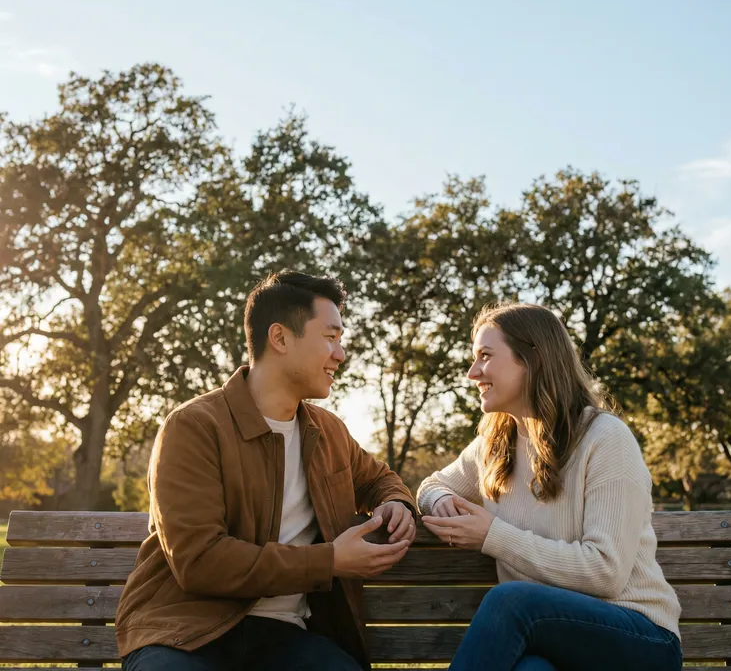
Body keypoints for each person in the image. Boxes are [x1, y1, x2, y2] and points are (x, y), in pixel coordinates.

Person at [116, 271, 417, 671]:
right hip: (185, 632)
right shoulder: (194, 426)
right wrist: (328, 561)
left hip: (286, 638)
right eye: (330, 337)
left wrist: (396, 502)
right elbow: (200, 560)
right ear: (280, 338)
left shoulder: (328, 432)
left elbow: (379, 478)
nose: (340, 353)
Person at [417, 303, 682, 671]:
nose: (472, 372)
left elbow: (606, 572)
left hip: (638, 637)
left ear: (532, 359)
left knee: (509, 601)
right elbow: (431, 485)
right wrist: (441, 499)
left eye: (485, 357)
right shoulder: (495, 445)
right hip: (551, 638)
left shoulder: (605, 439)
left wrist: (492, 535)